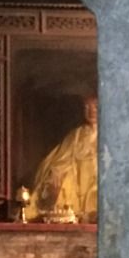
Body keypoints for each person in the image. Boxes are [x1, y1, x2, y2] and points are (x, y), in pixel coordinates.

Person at [29, 95, 98, 223]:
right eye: (87, 107)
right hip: (78, 182)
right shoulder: (76, 135)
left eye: (96, 107)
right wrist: (56, 172)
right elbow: (61, 158)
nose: (91, 111)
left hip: (97, 182)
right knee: (59, 178)